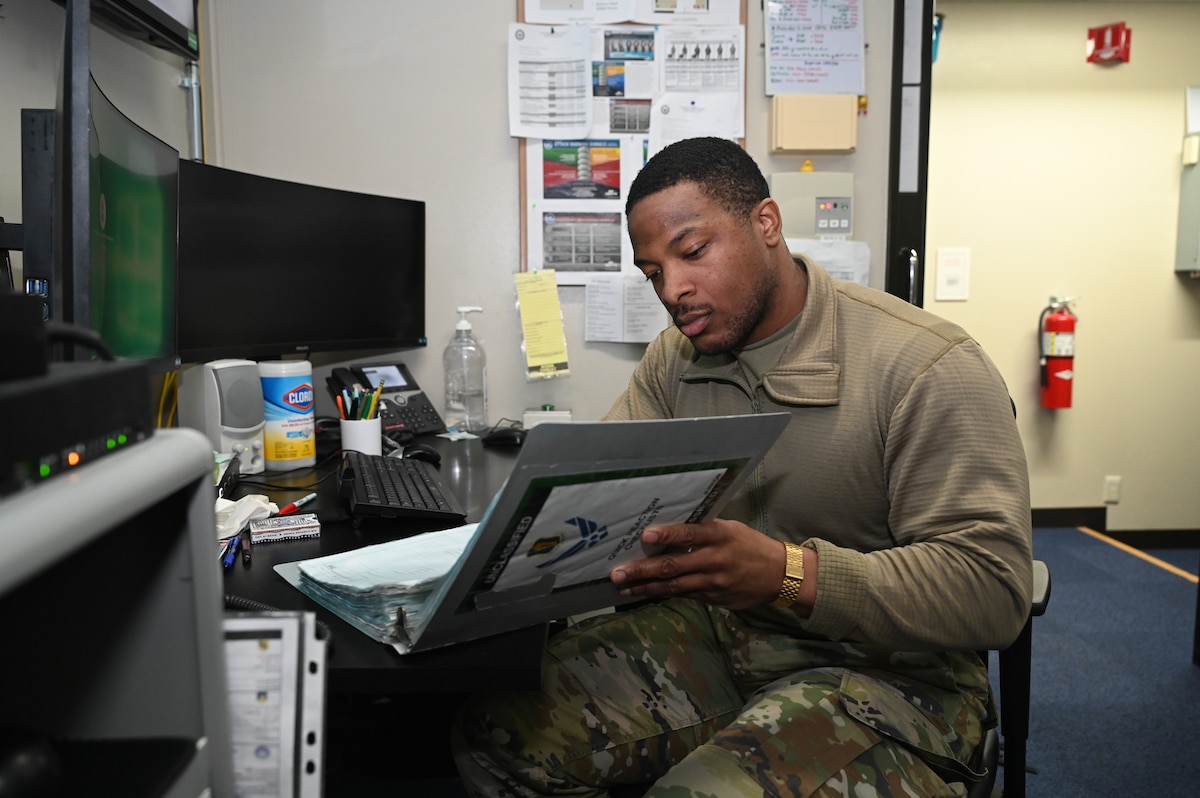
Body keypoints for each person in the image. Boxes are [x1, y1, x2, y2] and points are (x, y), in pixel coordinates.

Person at [452, 137, 1033, 797]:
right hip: (727, 636)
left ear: (767, 223)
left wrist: (788, 573)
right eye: (653, 272)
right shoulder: (675, 360)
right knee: (495, 732)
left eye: (694, 251)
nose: (674, 290)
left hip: (894, 677)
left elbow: (993, 590)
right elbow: (597, 493)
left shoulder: (924, 365)